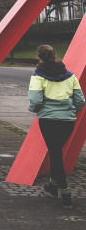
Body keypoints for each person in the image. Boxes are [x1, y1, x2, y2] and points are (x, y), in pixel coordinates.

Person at [28, 44, 84, 210]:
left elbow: (36, 101)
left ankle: (66, 194)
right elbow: (80, 100)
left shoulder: (38, 76)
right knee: (56, 150)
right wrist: (71, 111)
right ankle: (52, 185)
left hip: (48, 120)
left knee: (55, 152)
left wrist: (34, 110)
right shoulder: (70, 76)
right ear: (54, 55)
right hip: (67, 121)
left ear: (39, 57)